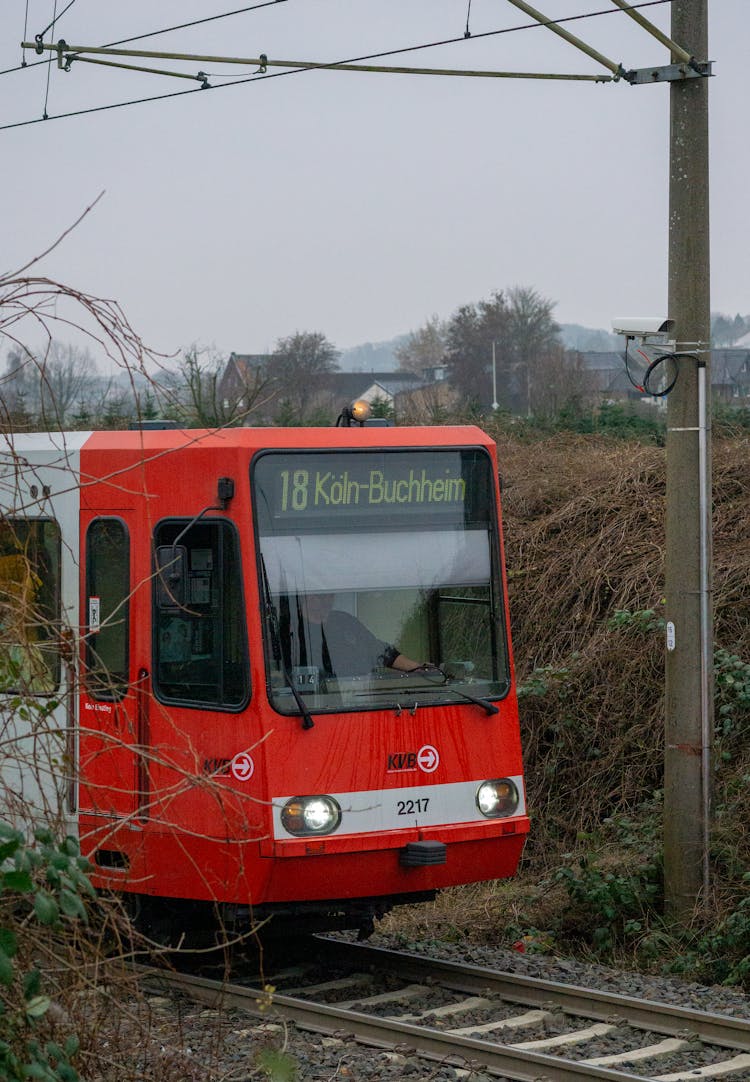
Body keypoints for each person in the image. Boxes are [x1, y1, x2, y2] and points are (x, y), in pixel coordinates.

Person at [298, 593, 433, 679]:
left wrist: (417, 668)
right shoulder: (292, 628)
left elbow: (379, 651)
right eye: (321, 595)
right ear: (307, 596)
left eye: (330, 595)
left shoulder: (344, 621)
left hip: (353, 699)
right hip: (308, 704)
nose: (328, 600)